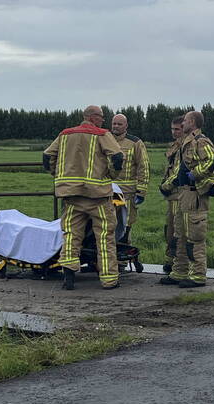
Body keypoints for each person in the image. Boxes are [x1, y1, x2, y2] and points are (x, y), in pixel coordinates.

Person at [43, 106, 124, 290]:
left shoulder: (64, 134)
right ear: (92, 117)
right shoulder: (102, 134)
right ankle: (109, 280)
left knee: (71, 235)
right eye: (101, 117)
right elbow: (118, 157)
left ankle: (69, 278)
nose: (103, 120)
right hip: (98, 196)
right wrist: (111, 176)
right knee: (104, 236)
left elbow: (47, 157)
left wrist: (58, 175)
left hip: (72, 196)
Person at [161, 111, 214, 288]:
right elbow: (178, 170)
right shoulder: (186, 142)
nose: (182, 123)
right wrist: (168, 185)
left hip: (195, 195)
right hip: (182, 195)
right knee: (180, 235)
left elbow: (213, 159)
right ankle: (179, 271)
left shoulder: (200, 140)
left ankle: (198, 275)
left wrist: (194, 174)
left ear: (192, 122)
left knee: (195, 237)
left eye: (185, 120)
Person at [109, 113, 149, 244]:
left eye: (119, 124)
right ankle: (108, 257)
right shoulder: (105, 139)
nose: (116, 126)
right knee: (110, 223)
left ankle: (122, 260)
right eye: (114, 123)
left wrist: (141, 191)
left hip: (125, 193)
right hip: (108, 191)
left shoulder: (135, 143)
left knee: (124, 224)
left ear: (126, 126)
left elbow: (143, 167)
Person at [159, 116, 186, 274]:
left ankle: (176, 264)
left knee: (176, 231)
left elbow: (179, 171)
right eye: (172, 129)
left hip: (178, 194)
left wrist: (165, 186)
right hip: (171, 195)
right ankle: (170, 261)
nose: (174, 132)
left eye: (177, 129)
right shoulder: (175, 146)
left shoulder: (185, 146)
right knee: (169, 228)